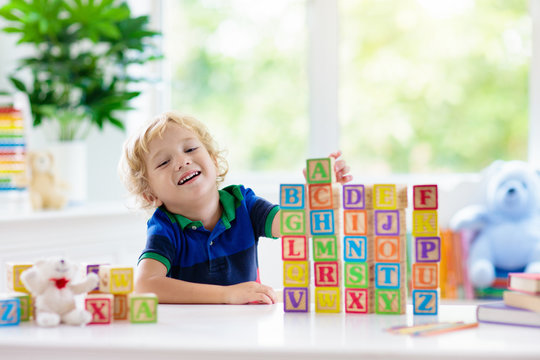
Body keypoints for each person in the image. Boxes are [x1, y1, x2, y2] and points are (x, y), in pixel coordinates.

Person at [119, 111, 352, 304]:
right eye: (164, 162)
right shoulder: (165, 227)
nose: (182, 161)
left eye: (190, 149)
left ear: (214, 161)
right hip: (189, 337)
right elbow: (145, 284)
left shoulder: (243, 203)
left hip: (248, 332)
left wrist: (322, 191)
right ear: (151, 196)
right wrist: (226, 295)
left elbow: (302, 226)